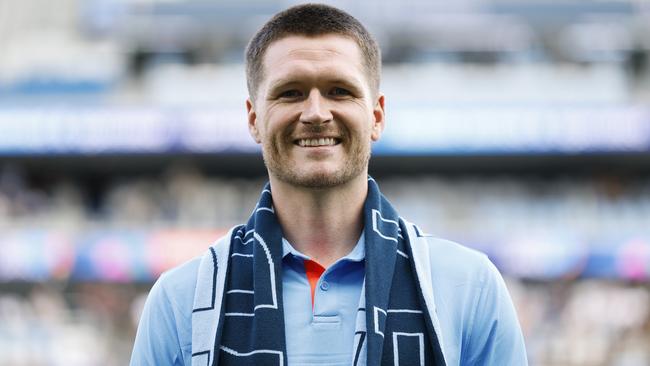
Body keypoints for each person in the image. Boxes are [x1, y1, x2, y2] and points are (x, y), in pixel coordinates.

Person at [130, 4, 528, 366]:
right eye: (291, 93)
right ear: (253, 118)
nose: (316, 113)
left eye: (340, 90)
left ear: (376, 115)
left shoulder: (470, 286)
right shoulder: (179, 300)